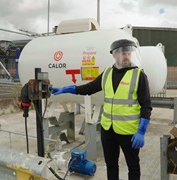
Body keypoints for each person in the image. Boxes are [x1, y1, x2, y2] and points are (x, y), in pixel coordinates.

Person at [51, 39, 152, 180]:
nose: (127, 56)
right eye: (123, 53)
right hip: (108, 129)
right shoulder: (107, 74)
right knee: (111, 164)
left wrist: (141, 131)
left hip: (129, 132)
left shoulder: (139, 75)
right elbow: (88, 88)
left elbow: (146, 105)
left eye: (129, 53)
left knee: (133, 166)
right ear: (115, 55)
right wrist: (65, 89)